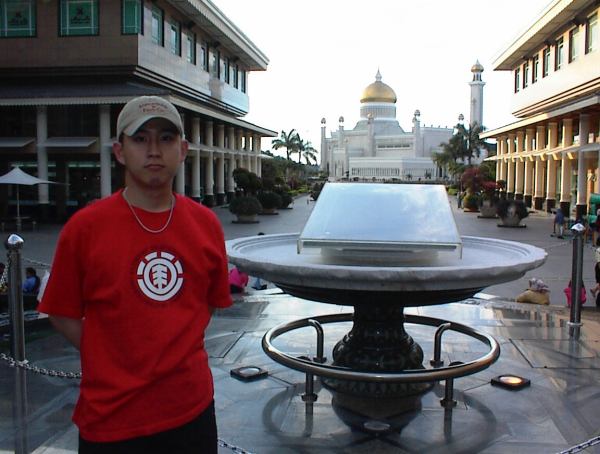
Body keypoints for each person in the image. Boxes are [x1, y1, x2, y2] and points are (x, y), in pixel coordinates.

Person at [38, 96, 232, 453]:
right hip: (111, 420)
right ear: (120, 151)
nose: (154, 150)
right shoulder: (85, 228)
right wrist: (110, 352)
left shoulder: (206, 224)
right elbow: (61, 312)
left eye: (166, 138)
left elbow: (208, 304)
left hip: (191, 412)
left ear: (183, 150)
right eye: (140, 139)